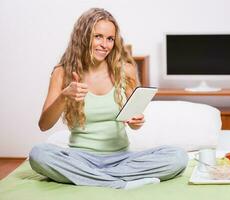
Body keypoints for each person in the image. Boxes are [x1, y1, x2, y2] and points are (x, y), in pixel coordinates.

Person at [29, 8, 188, 189]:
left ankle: (94, 179)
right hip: (80, 158)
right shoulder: (62, 72)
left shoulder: (125, 70)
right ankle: (119, 184)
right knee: (39, 154)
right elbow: (44, 125)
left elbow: (134, 121)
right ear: (83, 36)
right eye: (98, 36)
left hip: (122, 159)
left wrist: (136, 121)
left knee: (178, 156)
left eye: (110, 38)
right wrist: (64, 96)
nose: (105, 44)